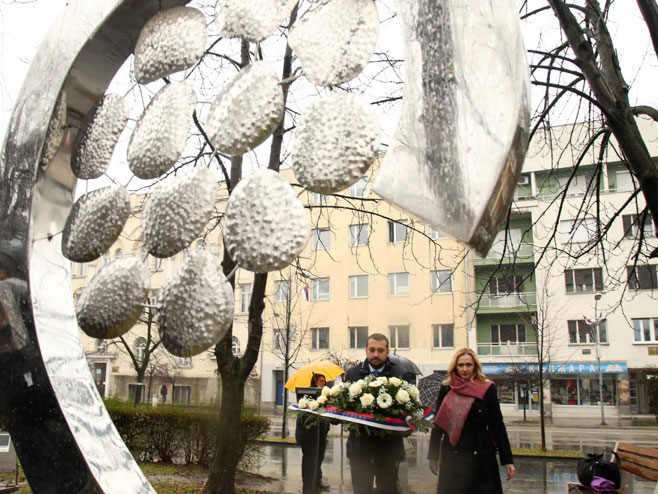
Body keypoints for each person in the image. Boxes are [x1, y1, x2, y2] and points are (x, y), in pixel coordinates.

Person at [429, 347, 515, 494]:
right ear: (455, 367)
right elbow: (438, 424)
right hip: (453, 454)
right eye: (460, 365)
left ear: (475, 366)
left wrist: (507, 459)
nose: (464, 369)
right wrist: (433, 456)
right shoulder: (447, 389)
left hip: (481, 454)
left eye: (469, 365)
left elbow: (497, 424)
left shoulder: (487, 388)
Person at [344, 333, 417, 494]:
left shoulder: (400, 374)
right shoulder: (352, 374)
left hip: (389, 451)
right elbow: (344, 408)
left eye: (381, 350)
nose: (376, 354)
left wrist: (408, 425)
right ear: (366, 350)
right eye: (372, 350)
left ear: (388, 351)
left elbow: (409, 409)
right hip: (360, 450)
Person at [295, 373, 330, 494]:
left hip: (322, 434)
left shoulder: (325, 397)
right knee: (309, 460)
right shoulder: (306, 397)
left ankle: (317, 482)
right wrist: (299, 435)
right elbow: (301, 416)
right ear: (314, 382)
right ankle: (308, 483)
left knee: (319, 459)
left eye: (324, 381)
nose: (323, 383)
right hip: (309, 435)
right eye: (321, 381)